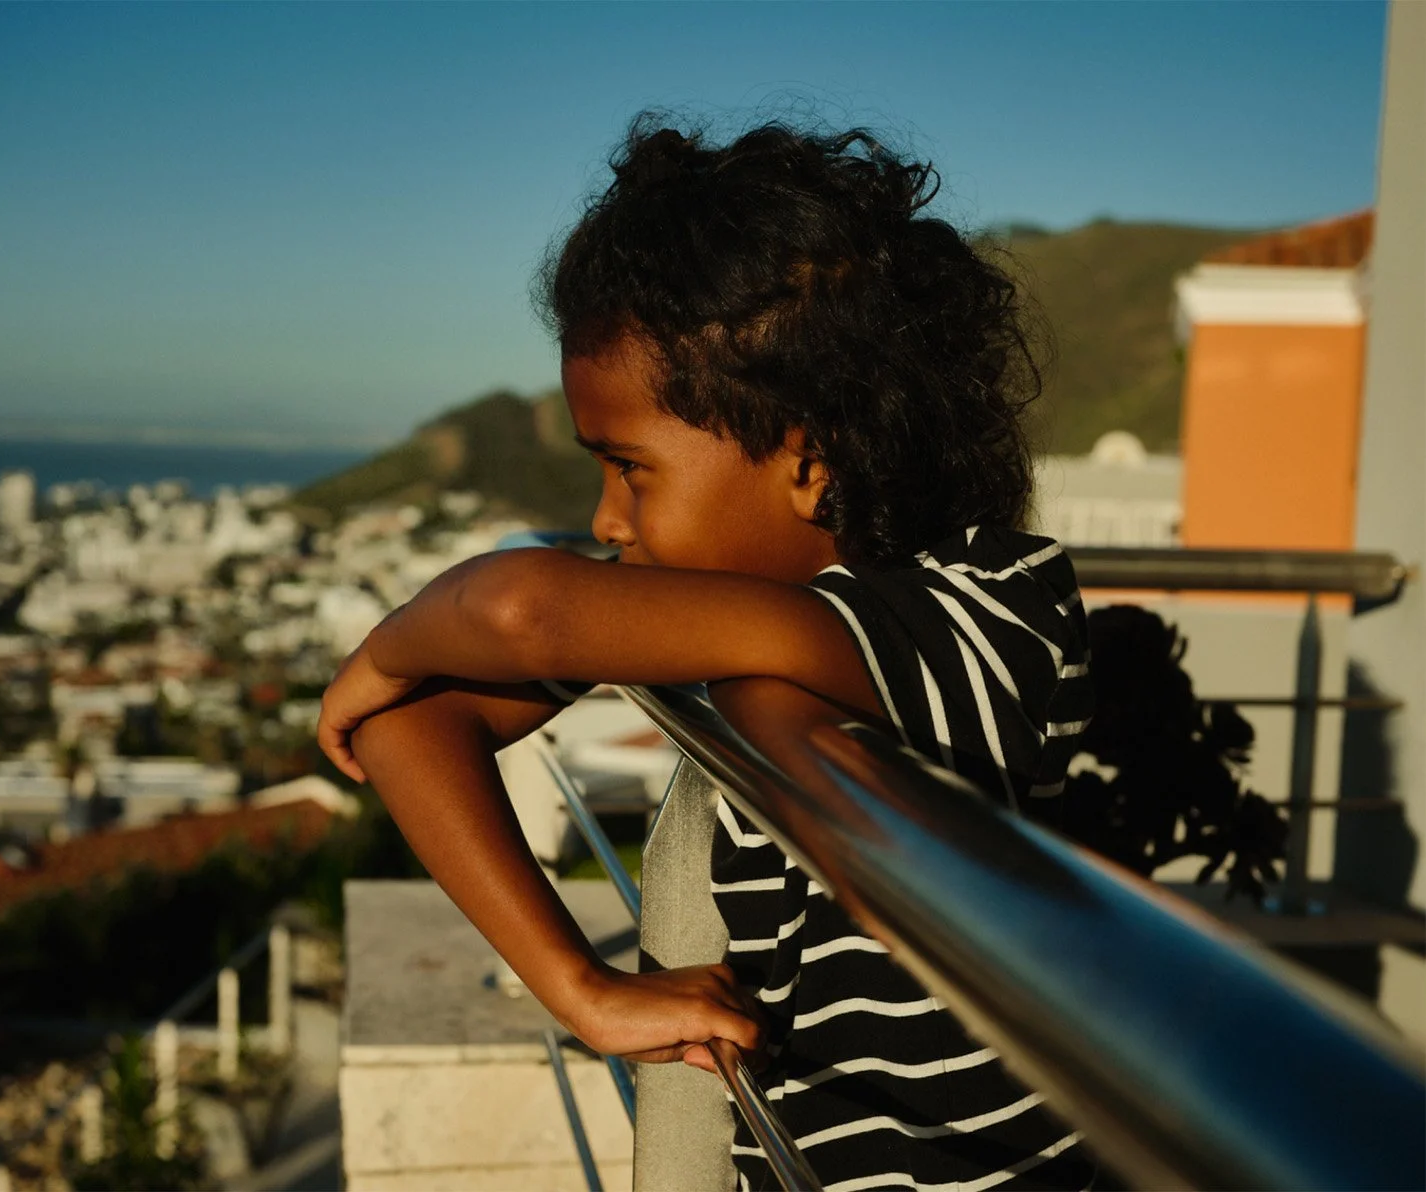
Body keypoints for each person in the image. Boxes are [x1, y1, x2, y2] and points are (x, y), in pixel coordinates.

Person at [318, 116, 1096, 1191]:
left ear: (812, 460)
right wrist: (579, 988)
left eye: (630, 470)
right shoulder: (724, 610)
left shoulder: (986, 611)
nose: (609, 520)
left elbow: (516, 609)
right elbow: (413, 725)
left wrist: (384, 649)